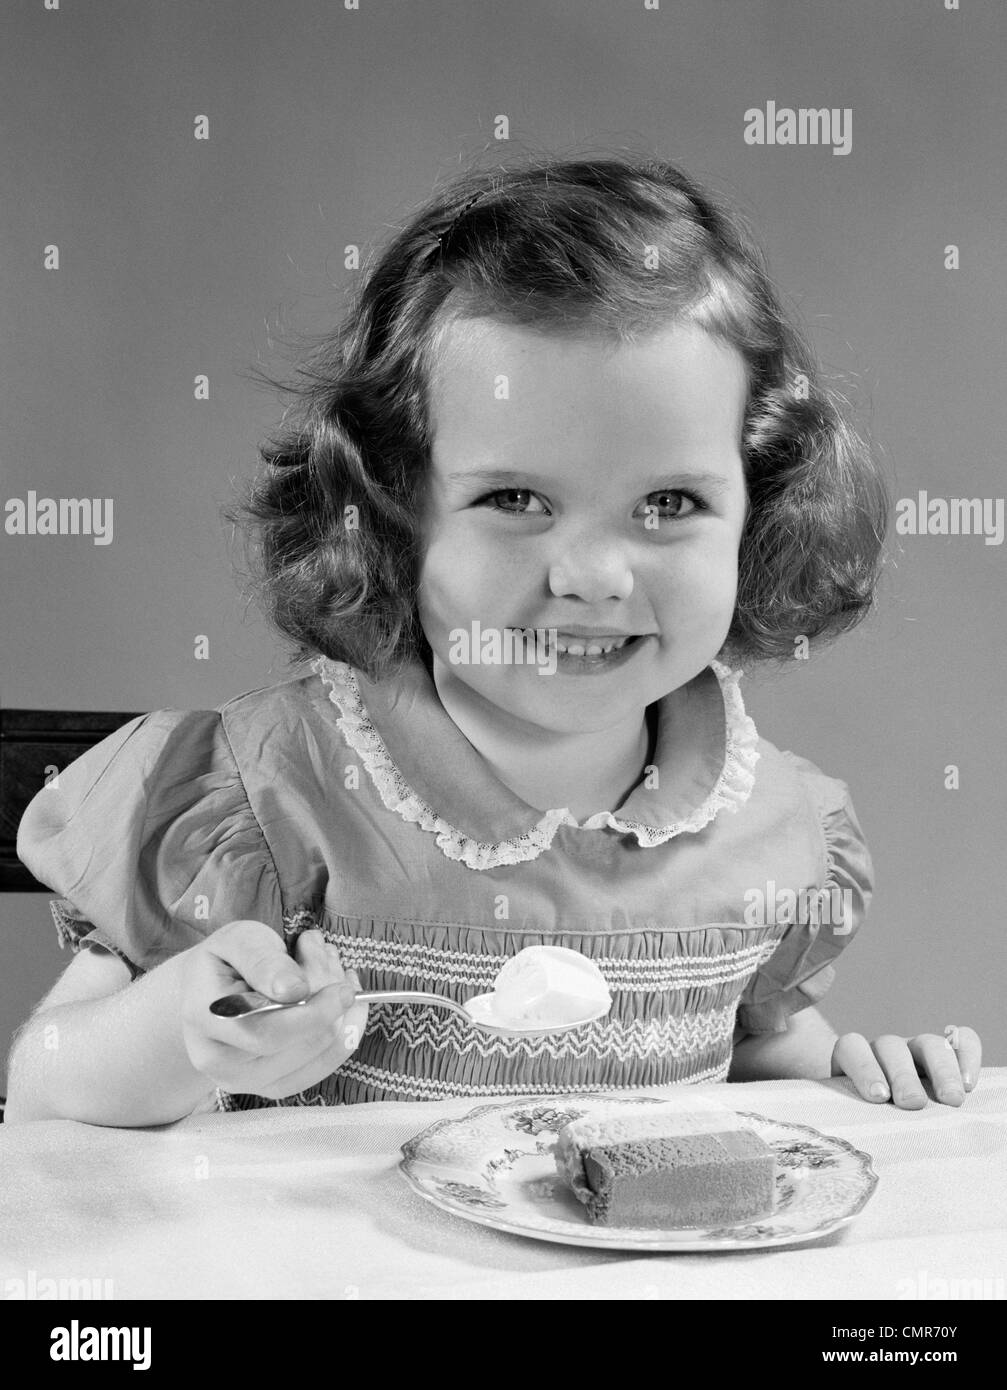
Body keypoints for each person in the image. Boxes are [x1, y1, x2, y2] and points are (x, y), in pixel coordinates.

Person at [7, 154, 981, 1126]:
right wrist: (188, 1026)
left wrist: (858, 1083)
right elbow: (46, 1081)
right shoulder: (272, 796)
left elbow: (762, 1053)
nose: (594, 574)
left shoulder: (770, 824)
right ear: (393, 513)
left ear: (756, 511)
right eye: (514, 499)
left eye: (669, 502)